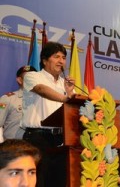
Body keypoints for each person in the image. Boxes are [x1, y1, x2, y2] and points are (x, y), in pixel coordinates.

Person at [21, 42, 75, 187]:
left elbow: (73, 109)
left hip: (61, 140)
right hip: (37, 138)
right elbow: (42, 90)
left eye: (63, 57)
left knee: (59, 182)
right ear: (45, 60)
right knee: (38, 182)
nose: (61, 61)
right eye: (56, 57)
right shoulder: (33, 76)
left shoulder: (66, 83)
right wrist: (65, 98)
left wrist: (70, 93)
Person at [0, 65, 36, 140]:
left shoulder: (42, 99)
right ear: (20, 80)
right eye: (29, 77)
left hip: (36, 147)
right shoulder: (7, 99)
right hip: (14, 148)